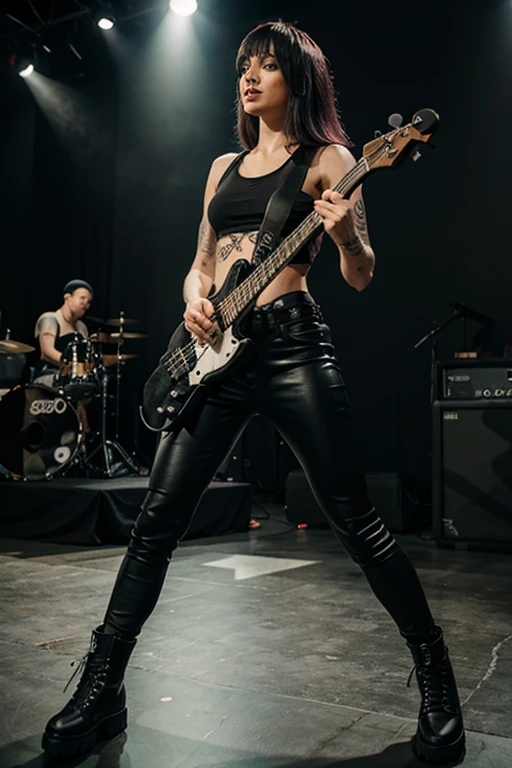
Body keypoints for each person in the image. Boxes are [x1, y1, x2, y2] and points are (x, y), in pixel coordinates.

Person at [42, 22, 464, 764]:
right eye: (245, 66)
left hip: (291, 345)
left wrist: (344, 239)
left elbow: (362, 274)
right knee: (154, 527)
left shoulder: (334, 158)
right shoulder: (222, 167)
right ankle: (102, 687)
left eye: (267, 66)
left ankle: (437, 679)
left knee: (358, 526)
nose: (250, 76)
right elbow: (199, 263)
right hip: (214, 354)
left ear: (297, 81)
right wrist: (194, 302)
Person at [33, 279, 94, 388]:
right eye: (82, 298)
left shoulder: (82, 327)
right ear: (67, 298)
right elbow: (47, 351)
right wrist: (72, 365)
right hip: (50, 373)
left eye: (89, 301)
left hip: (74, 376)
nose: (85, 304)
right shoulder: (50, 319)